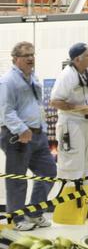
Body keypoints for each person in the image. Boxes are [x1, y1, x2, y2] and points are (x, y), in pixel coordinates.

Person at [0, 41, 55, 229]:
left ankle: (34, 213)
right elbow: (6, 111)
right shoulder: (8, 81)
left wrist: (42, 128)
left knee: (48, 172)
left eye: (32, 54)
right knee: (17, 179)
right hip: (17, 136)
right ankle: (17, 219)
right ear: (16, 59)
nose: (31, 58)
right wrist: (21, 129)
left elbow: (35, 105)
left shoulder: (32, 77)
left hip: (37, 135)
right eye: (26, 56)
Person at [49, 43, 88, 182]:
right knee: (72, 167)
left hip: (86, 124)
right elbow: (54, 102)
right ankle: (69, 201)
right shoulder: (66, 76)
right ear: (77, 60)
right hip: (71, 124)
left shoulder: (87, 68)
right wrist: (79, 108)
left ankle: (85, 201)